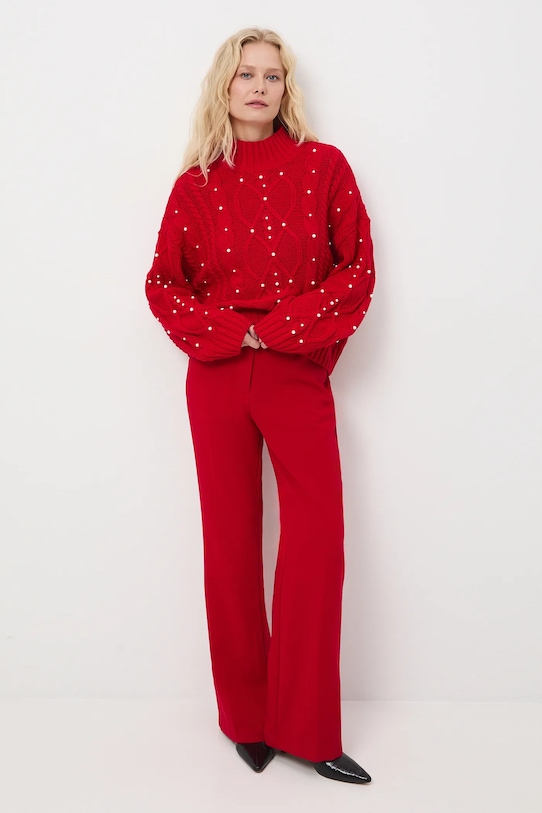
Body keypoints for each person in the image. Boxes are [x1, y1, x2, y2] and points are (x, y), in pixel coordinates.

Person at [145, 27, 376, 784]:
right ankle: (246, 719)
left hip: (292, 369)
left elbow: (355, 271)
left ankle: (306, 726)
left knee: (317, 541)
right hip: (216, 375)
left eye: (272, 76)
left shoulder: (324, 167)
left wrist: (277, 331)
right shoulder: (195, 185)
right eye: (246, 74)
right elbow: (162, 284)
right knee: (230, 544)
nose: (259, 86)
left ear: (285, 89)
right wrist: (230, 334)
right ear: (225, 84)